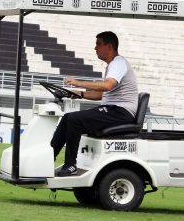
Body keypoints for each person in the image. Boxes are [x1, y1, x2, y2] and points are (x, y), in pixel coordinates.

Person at [51, 31, 138, 177]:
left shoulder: (118, 63)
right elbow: (103, 94)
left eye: (98, 44)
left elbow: (107, 86)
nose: (95, 48)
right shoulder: (113, 65)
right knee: (67, 117)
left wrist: (78, 82)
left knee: (74, 119)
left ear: (109, 47)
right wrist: (80, 93)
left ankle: (70, 165)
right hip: (114, 109)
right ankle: (48, 158)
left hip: (121, 112)